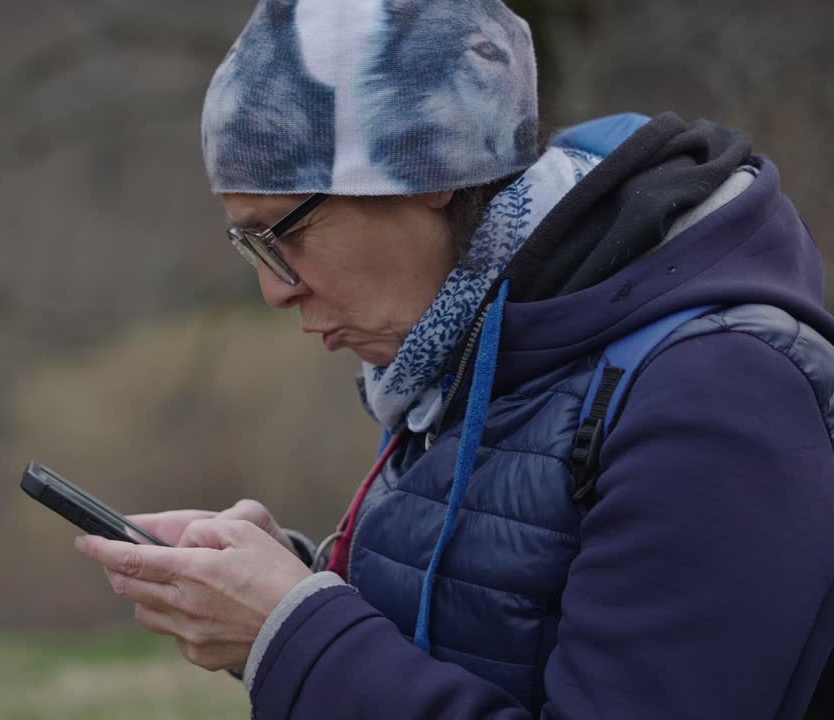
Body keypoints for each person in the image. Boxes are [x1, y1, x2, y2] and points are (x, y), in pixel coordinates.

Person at [75, 0, 834, 717]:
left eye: (286, 232)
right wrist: (285, 592)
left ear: (428, 170)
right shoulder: (465, 355)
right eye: (248, 244)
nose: (274, 290)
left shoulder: (718, 391)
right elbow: (482, 646)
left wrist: (297, 634)